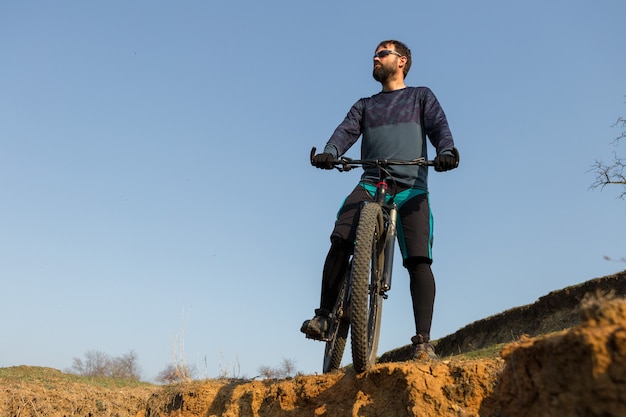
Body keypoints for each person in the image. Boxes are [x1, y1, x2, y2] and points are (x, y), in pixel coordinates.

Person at [300, 40, 459, 360]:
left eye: (382, 53)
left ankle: (423, 342)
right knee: (340, 239)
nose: (375, 57)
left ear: (402, 61)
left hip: (411, 187)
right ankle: (324, 315)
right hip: (371, 183)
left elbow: (439, 127)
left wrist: (446, 151)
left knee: (418, 260)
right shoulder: (365, 105)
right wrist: (330, 153)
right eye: (375, 53)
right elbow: (345, 132)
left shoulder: (420, 96)